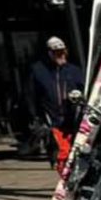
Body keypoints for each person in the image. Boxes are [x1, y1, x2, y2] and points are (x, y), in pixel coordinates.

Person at [25, 36, 84, 168]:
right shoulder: (38, 70)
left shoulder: (74, 71)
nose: (61, 55)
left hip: (73, 120)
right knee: (61, 154)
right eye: (57, 53)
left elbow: (84, 89)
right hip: (52, 121)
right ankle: (65, 182)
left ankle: (74, 182)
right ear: (49, 54)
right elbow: (30, 95)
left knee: (77, 154)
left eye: (63, 51)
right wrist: (34, 117)